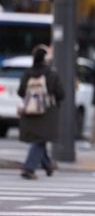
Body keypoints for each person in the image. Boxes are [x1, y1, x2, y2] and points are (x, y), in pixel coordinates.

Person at [18, 44, 64, 179]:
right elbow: (61, 93)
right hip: (47, 112)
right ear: (45, 59)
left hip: (30, 110)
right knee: (40, 140)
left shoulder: (27, 73)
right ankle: (29, 168)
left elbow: (21, 91)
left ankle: (47, 165)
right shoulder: (51, 73)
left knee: (38, 139)